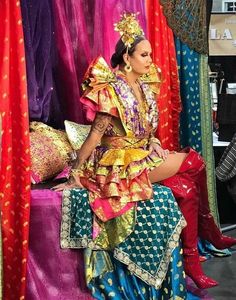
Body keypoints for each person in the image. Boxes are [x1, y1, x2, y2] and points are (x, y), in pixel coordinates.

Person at [54, 13, 236, 290]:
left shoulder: (143, 86)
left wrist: (152, 143)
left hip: (139, 155)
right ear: (127, 58)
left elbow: (145, 132)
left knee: (186, 187)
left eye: (150, 54)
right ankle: (207, 237)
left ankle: (194, 259)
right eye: (144, 55)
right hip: (116, 164)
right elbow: (95, 134)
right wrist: (76, 172)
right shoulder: (112, 89)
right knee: (194, 161)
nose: (150, 60)